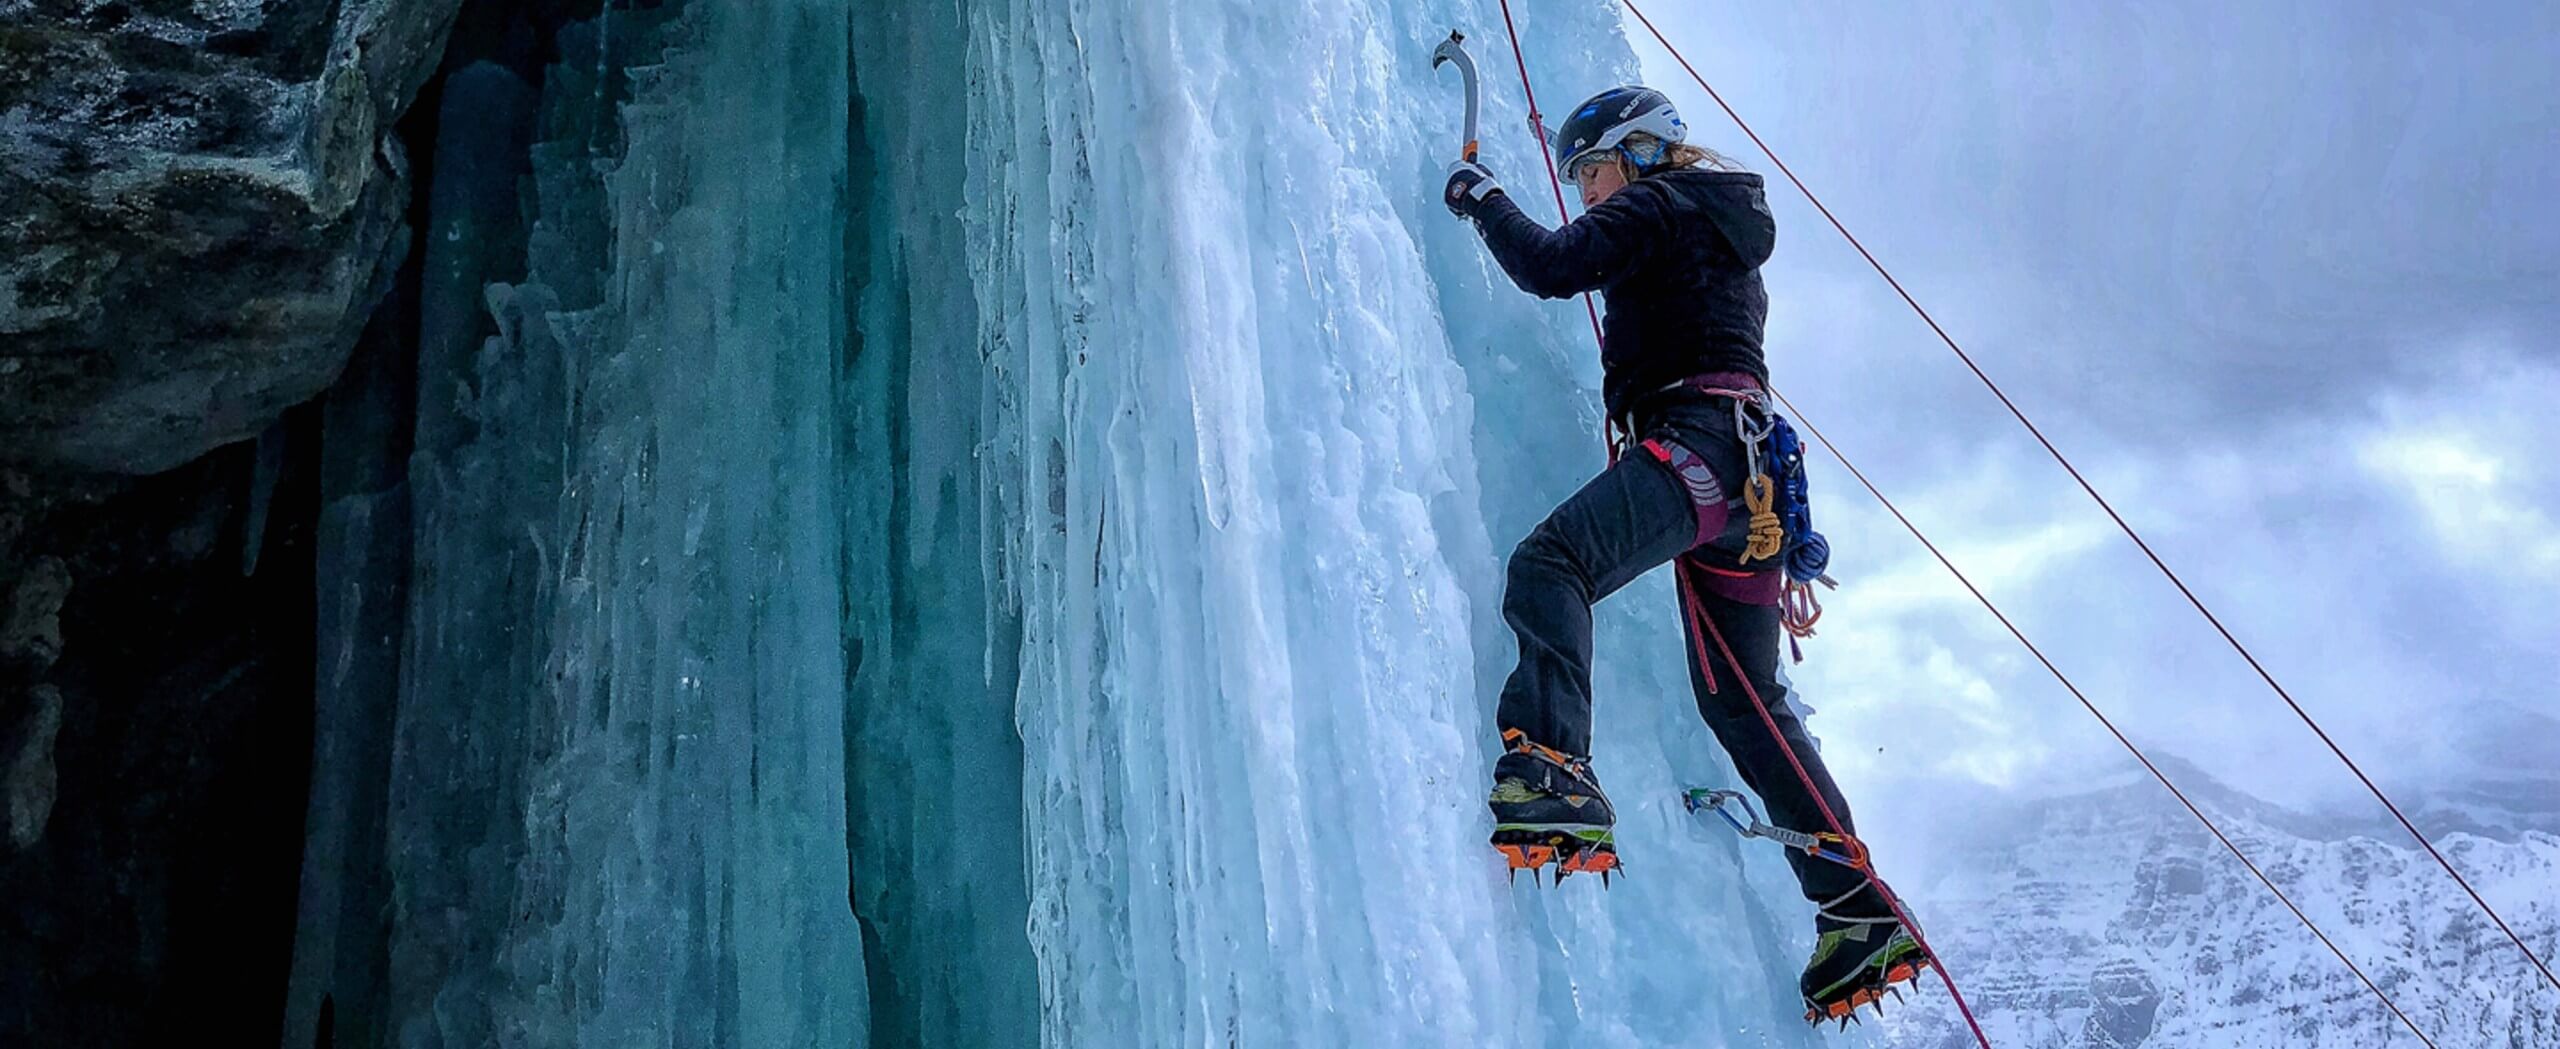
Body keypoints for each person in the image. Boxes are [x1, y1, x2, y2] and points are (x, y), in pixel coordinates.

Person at [1443, 86, 1923, 1023]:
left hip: (1697, 454)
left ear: (1637, 153)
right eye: (1579, 177)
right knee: (1742, 701)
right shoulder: (1720, 224)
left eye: (1590, 170)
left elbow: (1549, 265)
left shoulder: (1656, 203)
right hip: (1753, 491)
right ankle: (1855, 910)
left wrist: (1480, 197)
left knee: (1553, 565)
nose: (1587, 191)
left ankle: (1552, 767)